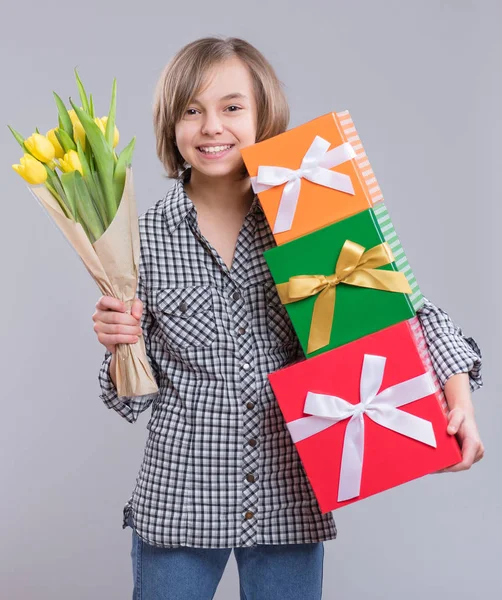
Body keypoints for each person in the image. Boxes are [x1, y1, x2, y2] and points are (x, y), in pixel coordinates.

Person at [93, 36, 484, 600]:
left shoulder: (311, 210)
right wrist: (118, 351)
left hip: (291, 493)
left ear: (262, 115)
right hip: (179, 498)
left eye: (231, 107)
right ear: (170, 125)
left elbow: (407, 315)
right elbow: (131, 399)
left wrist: (460, 402)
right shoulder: (137, 236)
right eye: (191, 110)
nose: (211, 127)